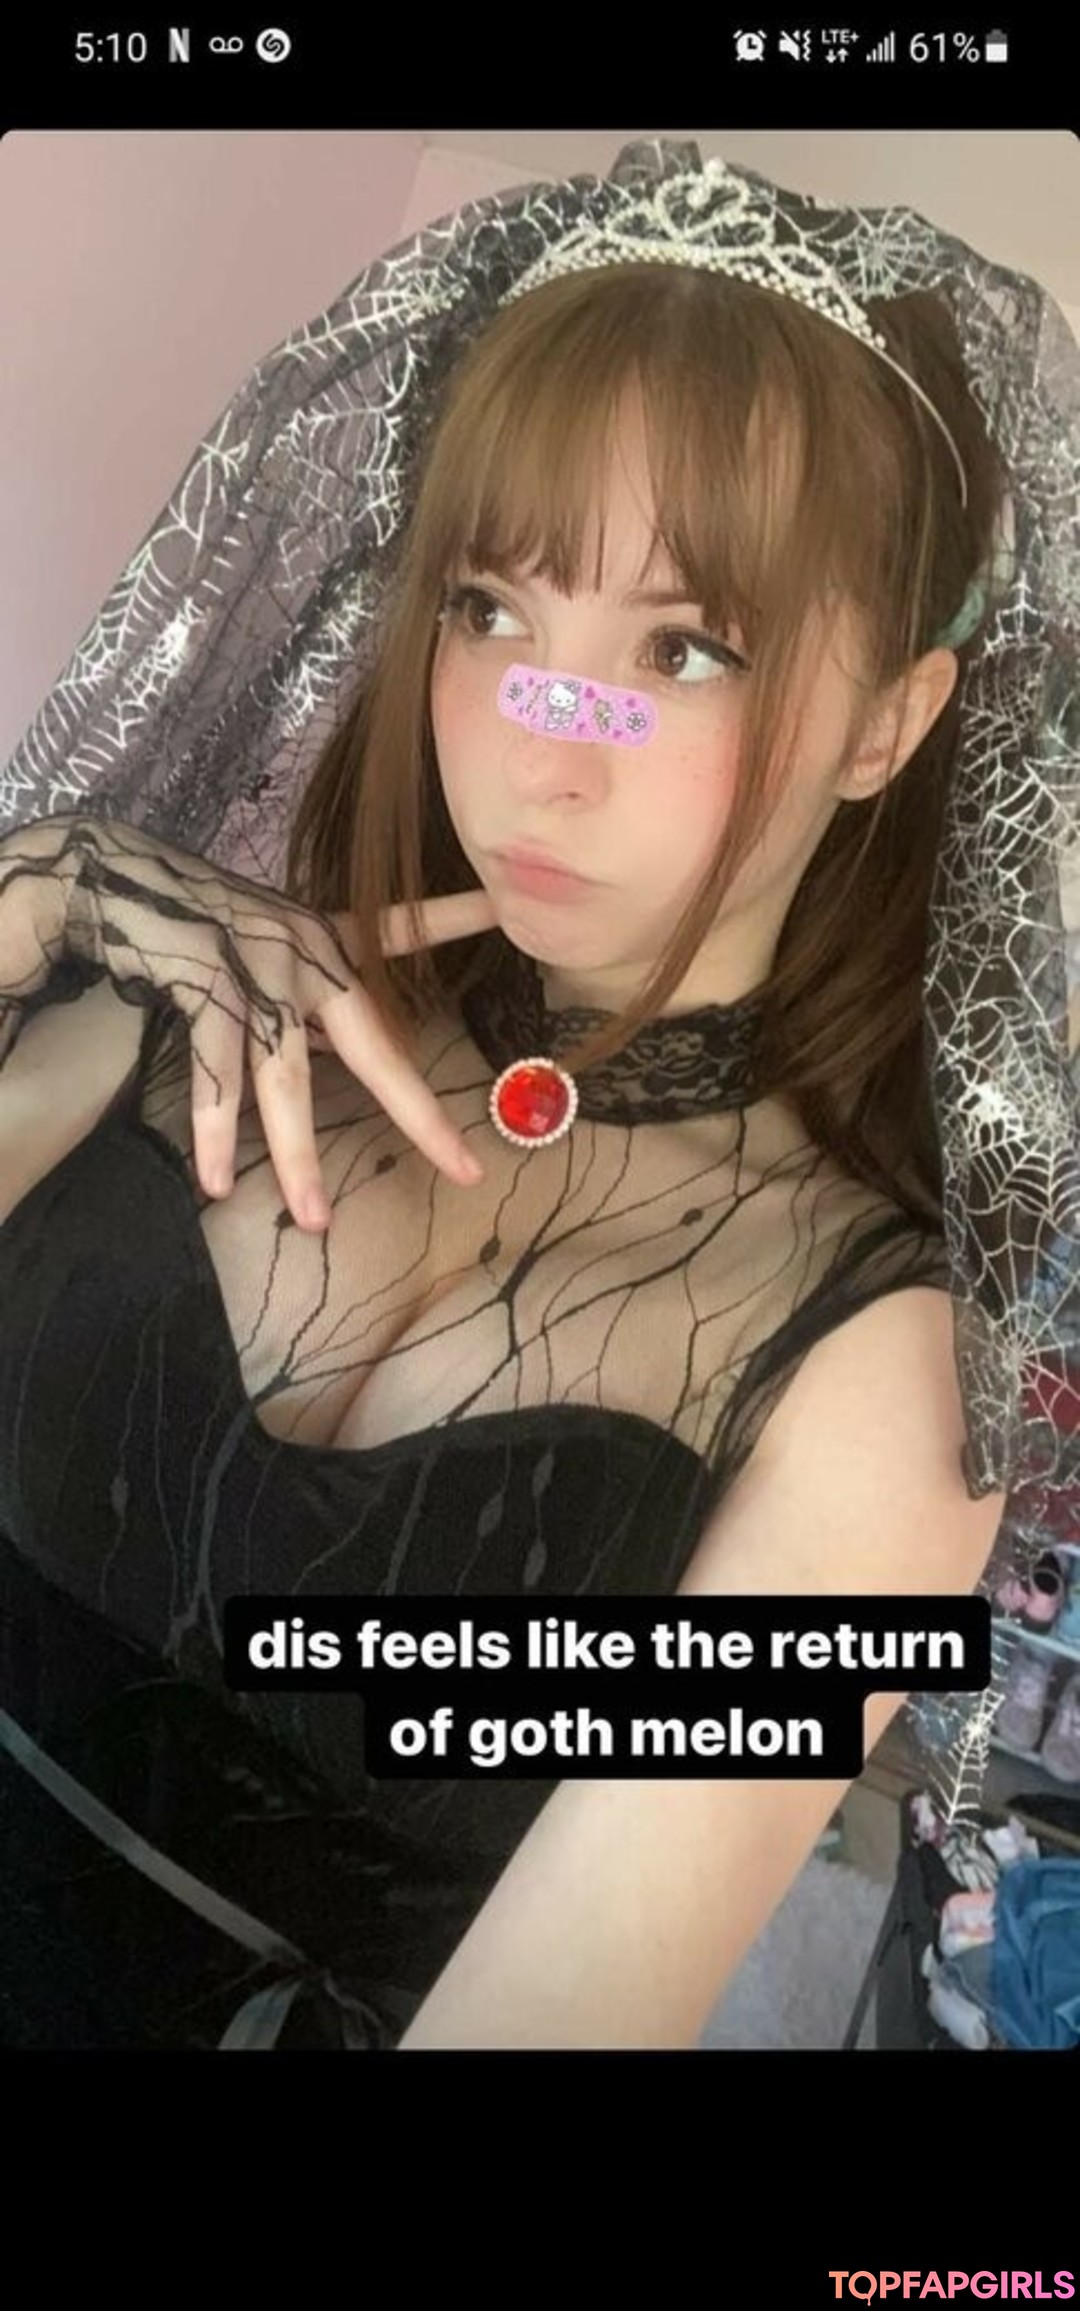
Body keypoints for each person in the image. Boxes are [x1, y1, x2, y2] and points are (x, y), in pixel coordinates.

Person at [0, 141, 1075, 2051]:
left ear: (889, 724)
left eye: (684, 648)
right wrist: (24, 913)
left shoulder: (874, 1390)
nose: (538, 755)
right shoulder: (179, 1015)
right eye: (491, 609)